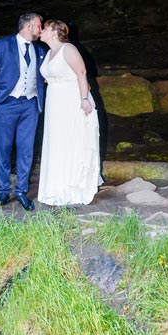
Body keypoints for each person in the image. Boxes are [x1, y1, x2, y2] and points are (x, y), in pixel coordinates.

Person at [0, 11, 48, 210]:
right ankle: (3, 191)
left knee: (26, 149)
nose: (41, 29)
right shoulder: (3, 45)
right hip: (6, 104)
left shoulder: (39, 49)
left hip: (30, 105)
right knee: (4, 148)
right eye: (39, 25)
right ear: (28, 26)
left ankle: (21, 191)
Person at [37, 19, 102, 206]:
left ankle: (72, 187)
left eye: (45, 28)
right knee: (57, 141)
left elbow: (81, 73)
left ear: (55, 32)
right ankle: (56, 187)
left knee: (71, 139)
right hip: (55, 103)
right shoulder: (49, 52)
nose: (41, 30)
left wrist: (84, 99)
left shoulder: (68, 49)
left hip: (71, 100)